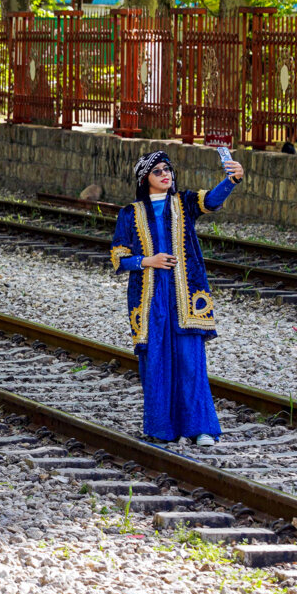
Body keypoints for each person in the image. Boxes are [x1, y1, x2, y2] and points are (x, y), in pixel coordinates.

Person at [109, 150, 244, 446]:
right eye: (157, 171)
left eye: (167, 169)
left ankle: (201, 429)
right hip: (149, 296)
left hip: (185, 295)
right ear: (145, 179)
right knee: (155, 359)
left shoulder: (184, 202)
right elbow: (118, 257)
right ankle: (161, 429)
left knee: (190, 359)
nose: (165, 174)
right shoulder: (130, 213)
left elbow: (211, 201)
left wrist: (232, 180)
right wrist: (148, 261)